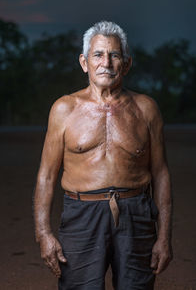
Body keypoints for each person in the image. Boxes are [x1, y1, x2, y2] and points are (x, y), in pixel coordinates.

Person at [34, 21, 173, 290]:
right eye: (98, 54)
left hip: (136, 214)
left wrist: (164, 237)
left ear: (127, 63)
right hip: (82, 215)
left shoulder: (146, 109)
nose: (106, 62)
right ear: (84, 62)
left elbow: (161, 174)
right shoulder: (64, 109)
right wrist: (43, 234)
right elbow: (46, 175)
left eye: (114, 55)